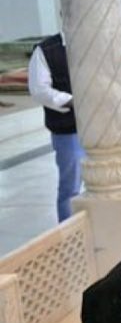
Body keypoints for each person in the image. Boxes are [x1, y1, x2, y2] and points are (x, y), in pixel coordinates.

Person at [28, 33, 85, 222]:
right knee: (71, 188)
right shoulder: (47, 50)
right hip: (69, 131)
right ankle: (69, 237)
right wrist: (72, 101)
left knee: (105, 183)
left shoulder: (96, 41)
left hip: (100, 126)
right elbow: (39, 89)